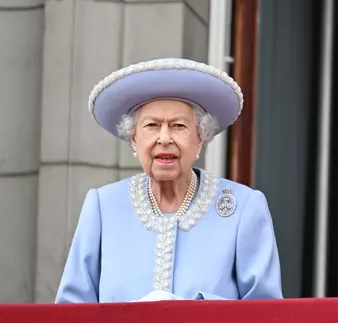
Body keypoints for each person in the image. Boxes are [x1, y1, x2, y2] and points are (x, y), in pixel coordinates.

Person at [55, 58, 283, 302]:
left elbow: (264, 317)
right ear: (134, 139)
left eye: (178, 126)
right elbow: (72, 313)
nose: (164, 138)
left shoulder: (244, 207)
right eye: (152, 125)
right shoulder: (103, 206)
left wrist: (191, 310)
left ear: (200, 138)